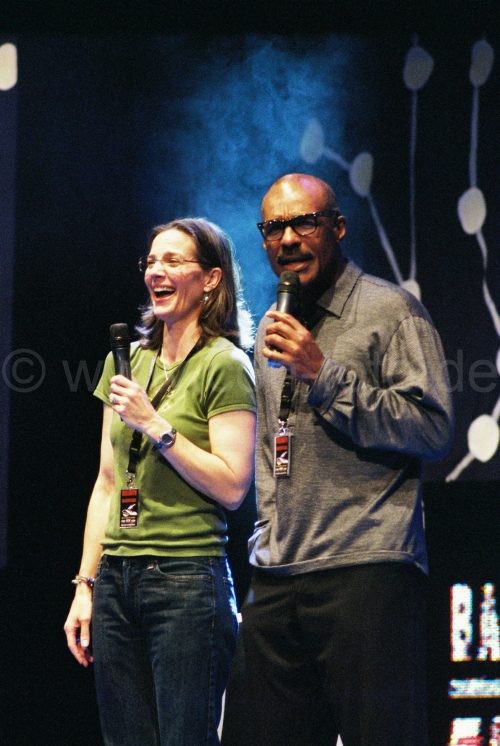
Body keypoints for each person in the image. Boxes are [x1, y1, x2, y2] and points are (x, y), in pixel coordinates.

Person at [239, 174, 453, 746]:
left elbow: (432, 430)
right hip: (278, 578)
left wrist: (323, 374)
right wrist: (266, 536)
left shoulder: (391, 311)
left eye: (303, 223)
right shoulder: (271, 325)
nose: (287, 239)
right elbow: (270, 451)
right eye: (273, 227)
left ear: (336, 228)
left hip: (367, 574)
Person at [64, 218, 256, 746]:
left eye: (173, 261)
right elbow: (107, 482)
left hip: (186, 580)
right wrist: (86, 585)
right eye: (151, 262)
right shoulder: (127, 363)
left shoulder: (226, 364)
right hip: (116, 582)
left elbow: (234, 486)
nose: (157, 272)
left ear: (211, 279)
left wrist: (157, 425)